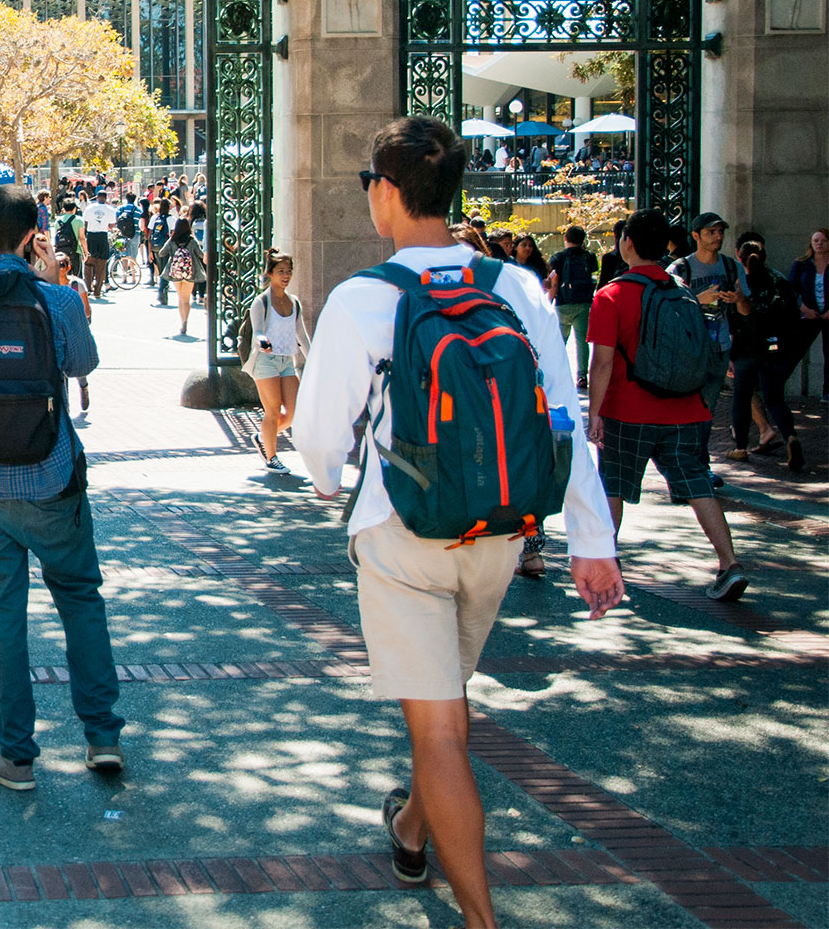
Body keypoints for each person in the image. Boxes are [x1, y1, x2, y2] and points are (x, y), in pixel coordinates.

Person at [291, 117, 621, 929]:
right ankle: (410, 827)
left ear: (386, 191)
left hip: (404, 534)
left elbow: (320, 439)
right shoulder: (514, 286)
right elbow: (559, 415)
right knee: (442, 703)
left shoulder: (365, 298)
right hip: (501, 532)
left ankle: (480, 919)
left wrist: (328, 480)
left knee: (440, 730)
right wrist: (590, 539)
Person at [0, 184, 118, 792]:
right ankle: (102, 736)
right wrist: (61, 280)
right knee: (81, 600)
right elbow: (83, 365)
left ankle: (17, 753)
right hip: (55, 477)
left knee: (5, 615)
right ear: (35, 231)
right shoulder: (57, 302)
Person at [589, 209, 749, 600]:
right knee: (697, 485)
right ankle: (729, 563)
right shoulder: (682, 292)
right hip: (684, 409)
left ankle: (608, 562)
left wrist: (593, 413)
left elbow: (602, 361)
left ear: (627, 243)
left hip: (627, 410)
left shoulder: (611, 294)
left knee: (613, 485)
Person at [667, 211, 750, 433]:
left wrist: (739, 298)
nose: (717, 237)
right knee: (686, 408)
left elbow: (745, 311)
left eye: (720, 232)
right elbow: (666, 309)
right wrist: (697, 299)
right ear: (696, 236)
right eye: (710, 232)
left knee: (707, 411)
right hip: (689, 350)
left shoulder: (733, 267)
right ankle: (690, 456)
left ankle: (700, 459)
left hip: (719, 348)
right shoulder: (679, 269)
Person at [730, 234, 804, 472]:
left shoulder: (739, 282)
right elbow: (793, 315)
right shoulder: (778, 279)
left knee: (741, 397)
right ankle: (790, 435)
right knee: (774, 398)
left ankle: (740, 447)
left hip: (746, 348)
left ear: (739, 257)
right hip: (773, 347)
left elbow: (733, 317)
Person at [244, 251, 310, 474]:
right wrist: (263, 341)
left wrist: (315, 361)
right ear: (270, 274)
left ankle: (264, 437)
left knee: (293, 412)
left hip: (287, 361)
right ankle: (271, 457)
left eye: (289, 271)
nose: (286, 276)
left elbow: (301, 335)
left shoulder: (294, 302)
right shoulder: (261, 302)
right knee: (272, 410)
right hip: (266, 361)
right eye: (281, 271)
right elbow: (258, 332)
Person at [548, 226, 598, 390]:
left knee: (560, 341)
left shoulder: (558, 258)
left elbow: (552, 279)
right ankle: (582, 376)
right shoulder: (589, 256)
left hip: (563, 303)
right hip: (583, 304)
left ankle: (557, 373)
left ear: (565, 238)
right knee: (582, 342)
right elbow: (593, 271)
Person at [54, 251, 92, 414]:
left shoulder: (77, 285)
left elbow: (87, 311)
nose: (59, 268)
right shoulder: (49, 285)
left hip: (74, 330)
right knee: (61, 369)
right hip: (58, 332)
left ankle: (83, 386)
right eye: (56, 265)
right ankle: (66, 406)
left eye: (62, 265)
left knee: (77, 366)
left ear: (68, 267)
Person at [793, 228, 829, 399]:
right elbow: (791, 289)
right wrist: (804, 308)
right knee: (796, 349)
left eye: (823, 240)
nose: (819, 244)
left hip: (828, 314)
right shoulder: (802, 264)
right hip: (809, 314)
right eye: (816, 241)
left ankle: (827, 392)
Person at [159, 217, 203, 336]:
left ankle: (182, 322)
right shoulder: (192, 241)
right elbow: (200, 254)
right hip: (190, 272)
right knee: (186, 299)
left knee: (180, 298)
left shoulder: (172, 240)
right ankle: (185, 322)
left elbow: (161, 253)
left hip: (176, 272)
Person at [81, 187, 115, 297]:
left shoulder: (90, 208)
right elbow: (112, 224)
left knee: (89, 262)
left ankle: (88, 287)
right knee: (101, 263)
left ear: (97, 197)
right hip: (102, 235)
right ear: (105, 198)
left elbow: (85, 223)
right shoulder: (110, 209)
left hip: (91, 235)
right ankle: (98, 290)